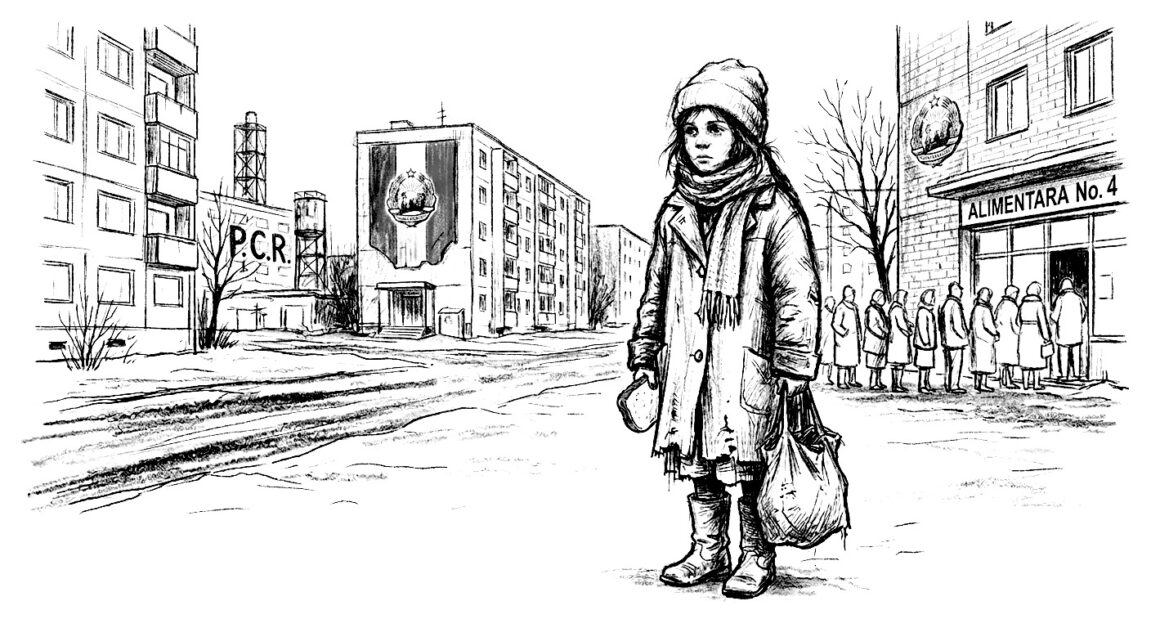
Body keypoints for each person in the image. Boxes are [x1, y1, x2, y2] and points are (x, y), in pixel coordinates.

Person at [627, 59, 820, 599]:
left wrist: (795, 365)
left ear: (742, 134)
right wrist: (644, 354)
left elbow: (796, 291)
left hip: (749, 361)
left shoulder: (773, 207)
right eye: (690, 130)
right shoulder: (676, 211)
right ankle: (708, 550)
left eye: (715, 128)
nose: (700, 143)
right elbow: (655, 291)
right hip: (687, 357)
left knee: (750, 460)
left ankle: (757, 555)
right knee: (697, 457)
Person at [1051, 277, 1087, 381]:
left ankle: (1064, 375)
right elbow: (1084, 314)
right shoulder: (1078, 298)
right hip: (1075, 331)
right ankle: (1076, 374)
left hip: (1063, 332)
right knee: (1076, 354)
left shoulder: (1060, 298)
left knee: (1063, 354)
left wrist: (1051, 318)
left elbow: (1055, 316)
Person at [1018, 281, 1052, 390]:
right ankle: (1036, 384)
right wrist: (1046, 337)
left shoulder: (1022, 304)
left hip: (1024, 332)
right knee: (1036, 360)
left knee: (1026, 360)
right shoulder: (1038, 304)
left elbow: (1017, 320)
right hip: (1035, 332)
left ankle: (1025, 384)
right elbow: (1042, 321)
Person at [939, 281, 969, 394]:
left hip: (947, 339)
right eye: (959, 290)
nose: (961, 292)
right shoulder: (955, 304)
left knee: (948, 364)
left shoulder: (946, 303)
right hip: (955, 340)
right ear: (955, 290)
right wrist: (964, 336)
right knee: (956, 364)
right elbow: (957, 324)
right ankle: (954, 386)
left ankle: (948, 385)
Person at [969, 287, 999, 392]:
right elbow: (989, 325)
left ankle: (979, 385)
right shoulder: (985, 309)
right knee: (984, 364)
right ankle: (981, 385)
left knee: (979, 364)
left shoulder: (976, 308)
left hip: (977, 339)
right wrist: (995, 333)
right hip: (985, 339)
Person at [832, 286, 863, 389]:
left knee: (853, 361)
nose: (852, 296)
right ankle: (841, 381)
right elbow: (835, 324)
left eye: (853, 294)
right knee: (843, 362)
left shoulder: (854, 307)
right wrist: (844, 332)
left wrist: (859, 334)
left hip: (853, 339)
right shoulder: (841, 307)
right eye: (851, 294)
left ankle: (852, 380)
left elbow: (858, 323)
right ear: (846, 295)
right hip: (844, 340)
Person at [994, 285, 1022, 389]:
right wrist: (1020, 332)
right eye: (1016, 293)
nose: (1017, 295)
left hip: (1001, 335)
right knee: (1009, 361)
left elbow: (995, 320)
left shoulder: (1001, 304)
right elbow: (1015, 323)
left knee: (1002, 361)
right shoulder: (1013, 306)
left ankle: (1003, 380)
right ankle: (1009, 381)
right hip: (1010, 336)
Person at [863, 289, 890, 391]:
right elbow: (872, 326)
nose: (883, 300)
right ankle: (873, 383)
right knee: (874, 364)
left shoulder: (880, 309)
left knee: (880, 363)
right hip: (874, 341)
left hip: (881, 341)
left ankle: (878, 381)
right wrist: (883, 333)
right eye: (882, 297)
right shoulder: (871, 310)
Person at [887, 289, 912, 393]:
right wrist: (908, 331)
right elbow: (901, 324)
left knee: (896, 364)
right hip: (899, 339)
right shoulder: (898, 309)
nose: (906, 300)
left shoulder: (895, 308)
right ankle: (897, 385)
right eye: (904, 297)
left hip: (896, 338)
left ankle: (896, 384)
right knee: (899, 363)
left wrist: (908, 323)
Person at [914, 289, 938, 393]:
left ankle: (926, 384)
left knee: (928, 365)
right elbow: (922, 328)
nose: (934, 300)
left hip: (929, 344)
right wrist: (925, 341)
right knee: (923, 366)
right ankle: (922, 385)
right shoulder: (923, 312)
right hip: (924, 345)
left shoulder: (928, 311)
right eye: (932, 298)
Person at [820, 297, 837, 385]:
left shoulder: (831, 313)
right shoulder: (825, 313)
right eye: (832, 303)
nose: (833, 304)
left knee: (829, 360)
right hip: (826, 339)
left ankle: (827, 377)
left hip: (830, 339)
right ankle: (825, 378)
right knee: (826, 360)